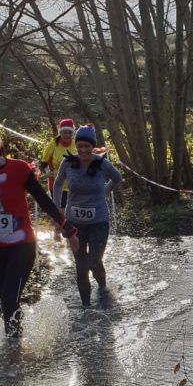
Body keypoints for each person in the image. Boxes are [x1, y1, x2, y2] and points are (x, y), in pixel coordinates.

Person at [0, 126, 77, 337]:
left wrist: (66, 226)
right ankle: (16, 342)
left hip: (22, 246)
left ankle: (13, 351)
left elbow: (43, 200)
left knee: (9, 299)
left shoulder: (18, 169)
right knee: (7, 300)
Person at [53, 124, 121, 307]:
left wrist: (104, 193)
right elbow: (58, 184)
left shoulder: (102, 163)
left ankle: (103, 289)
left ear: (93, 146)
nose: (83, 150)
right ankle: (86, 308)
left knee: (93, 260)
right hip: (74, 223)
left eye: (87, 146)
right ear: (76, 145)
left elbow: (117, 178)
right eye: (80, 145)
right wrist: (57, 207)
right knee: (81, 266)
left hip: (98, 221)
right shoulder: (68, 163)